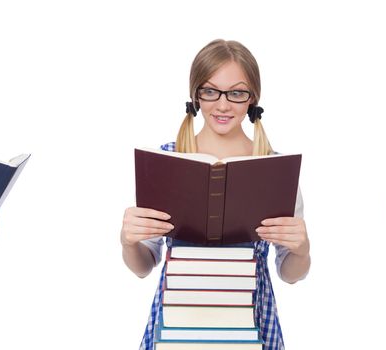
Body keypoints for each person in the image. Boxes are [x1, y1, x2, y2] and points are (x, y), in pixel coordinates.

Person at [121, 39, 311, 350]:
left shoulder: (275, 168)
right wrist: (128, 240)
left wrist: (301, 250)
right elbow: (143, 265)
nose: (222, 105)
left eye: (236, 93)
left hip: (251, 323)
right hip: (176, 323)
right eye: (210, 91)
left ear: (253, 99)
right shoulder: (166, 161)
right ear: (195, 95)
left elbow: (290, 274)